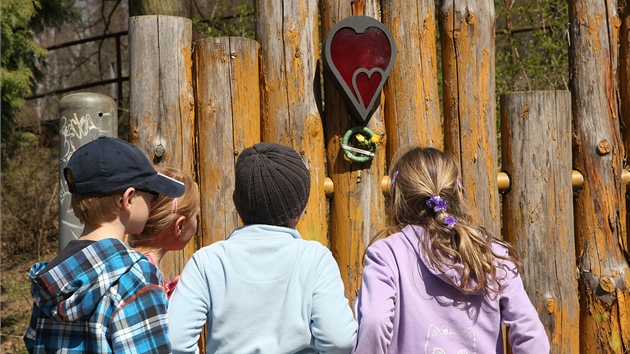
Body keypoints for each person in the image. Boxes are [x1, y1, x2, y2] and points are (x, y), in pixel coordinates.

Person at [351, 146, 550, 354]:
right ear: (458, 192)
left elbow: (374, 322)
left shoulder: (387, 255)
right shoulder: (492, 254)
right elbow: (532, 336)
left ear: (397, 196)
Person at [168, 142, 357, 354]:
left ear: (237, 203)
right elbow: (338, 340)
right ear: (299, 209)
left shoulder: (207, 261)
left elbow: (174, 340)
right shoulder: (315, 258)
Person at [23, 136, 185, 353]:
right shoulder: (135, 274)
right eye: (152, 195)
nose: (152, 202)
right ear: (128, 199)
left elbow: (33, 342)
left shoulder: (52, 277)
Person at [127, 166, 201, 298]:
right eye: (196, 216)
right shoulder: (147, 279)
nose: (197, 223)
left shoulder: (127, 262)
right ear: (180, 226)